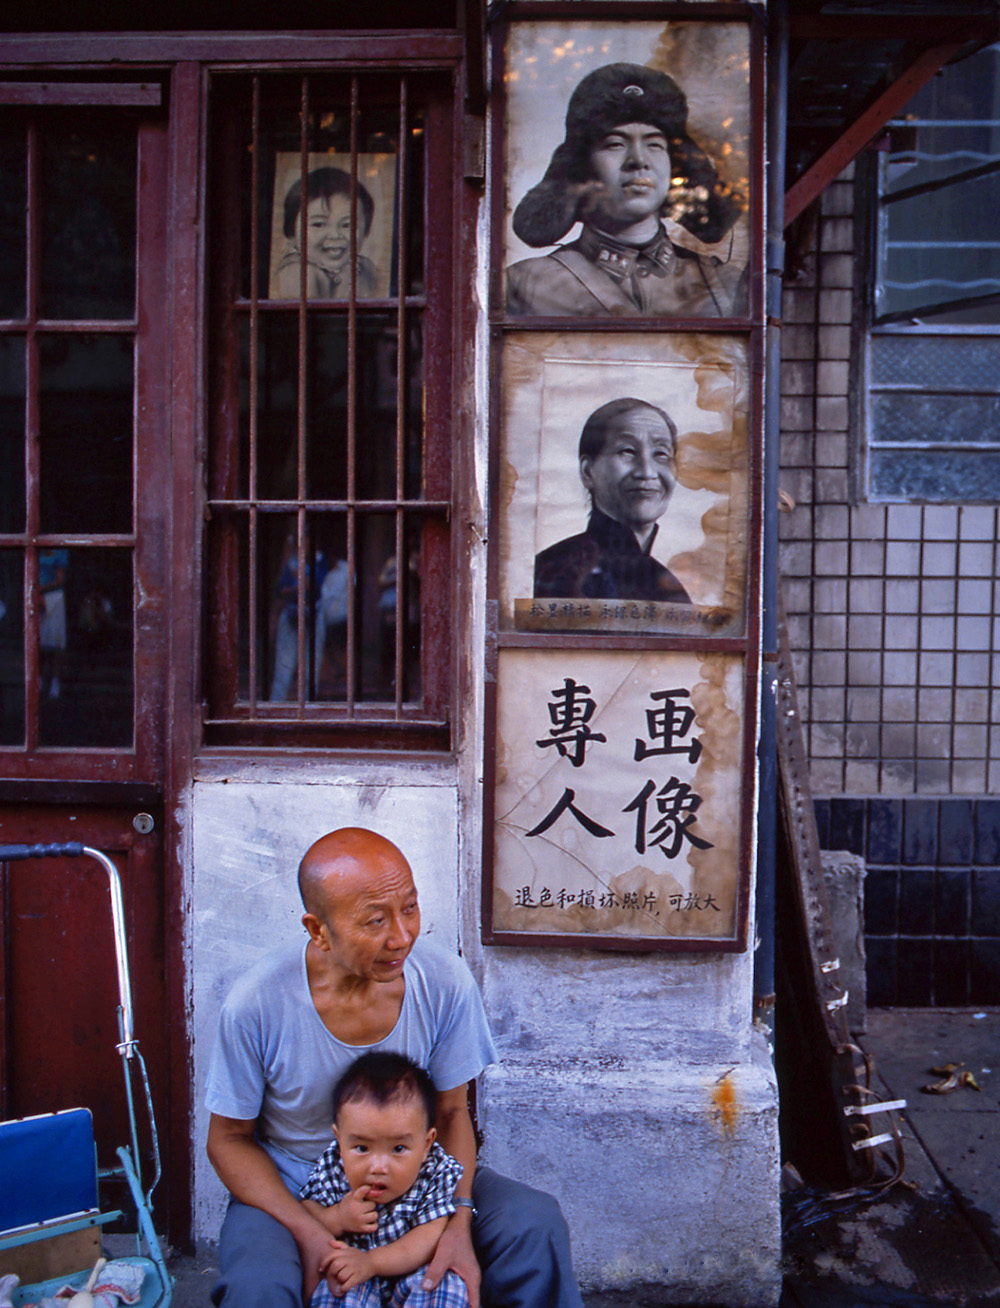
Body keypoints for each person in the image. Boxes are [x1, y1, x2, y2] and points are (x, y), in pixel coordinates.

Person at [206, 827, 584, 1308]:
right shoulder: (257, 1003)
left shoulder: (444, 982)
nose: (402, 936)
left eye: (409, 908)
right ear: (318, 930)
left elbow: (450, 1115)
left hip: (418, 1177)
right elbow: (228, 1139)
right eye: (374, 921)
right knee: (256, 1287)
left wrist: (458, 1219)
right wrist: (307, 1228)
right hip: (299, 1186)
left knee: (533, 1222)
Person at [506, 63, 745, 318]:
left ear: (674, 166)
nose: (638, 160)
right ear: (582, 167)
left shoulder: (724, 287)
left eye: (654, 144)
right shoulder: (525, 285)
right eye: (615, 144)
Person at [301, 1051, 468, 1308]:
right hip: (353, 1271)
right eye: (362, 1148)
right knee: (335, 1288)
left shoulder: (433, 1171)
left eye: (398, 1149)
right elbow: (307, 1211)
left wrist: (372, 1262)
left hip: (414, 1272)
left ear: (426, 1144)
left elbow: (429, 1236)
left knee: (444, 1285)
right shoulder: (334, 1166)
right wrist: (336, 1218)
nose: (378, 1167)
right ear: (339, 1139)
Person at [534, 397, 691, 604]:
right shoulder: (555, 572)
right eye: (627, 451)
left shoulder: (665, 585)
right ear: (588, 471)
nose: (647, 472)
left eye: (661, 454)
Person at [274, 166, 378, 299]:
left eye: (347, 225)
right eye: (318, 224)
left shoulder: (366, 268)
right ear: (292, 231)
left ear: (366, 230)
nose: (335, 235)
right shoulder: (297, 272)